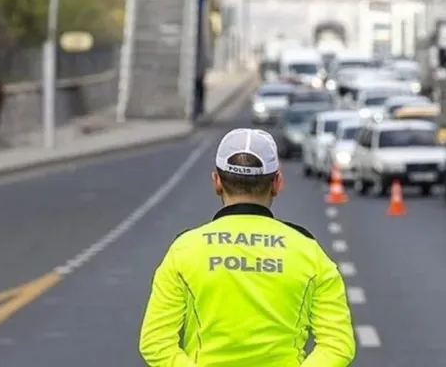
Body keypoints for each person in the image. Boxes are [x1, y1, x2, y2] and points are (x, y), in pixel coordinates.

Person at [139, 128, 356, 367]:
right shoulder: (308, 251)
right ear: (277, 183)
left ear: (217, 182)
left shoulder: (185, 250)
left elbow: (155, 342)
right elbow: (338, 343)